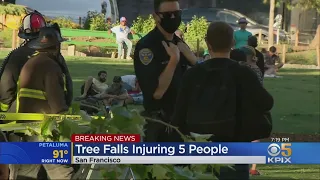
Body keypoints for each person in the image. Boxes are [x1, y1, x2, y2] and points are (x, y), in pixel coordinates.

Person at [172, 22, 274, 180]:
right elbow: (266, 103)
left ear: (207, 43)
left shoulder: (193, 75)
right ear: (233, 43)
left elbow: (178, 114)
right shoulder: (244, 73)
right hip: (236, 149)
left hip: (200, 148)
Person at [7, 26, 77, 179]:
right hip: (44, 130)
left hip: (26, 128)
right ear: (57, 46)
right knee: (62, 173)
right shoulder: (51, 66)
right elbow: (57, 105)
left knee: (27, 173)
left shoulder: (31, 63)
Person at [134, 0, 198, 142]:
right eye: (168, 14)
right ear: (156, 16)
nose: (174, 18)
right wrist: (173, 61)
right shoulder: (147, 46)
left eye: (177, 13)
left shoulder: (179, 43)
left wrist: (194, 61)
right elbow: (156, 93)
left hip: (183, 122)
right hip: (160, 124)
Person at [0, 12, 73, 115]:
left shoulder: (17, 55)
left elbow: (6, 85)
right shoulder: (56, 57)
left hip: (18, 113)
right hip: (48, 113)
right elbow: (68, 87)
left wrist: (4, 111)